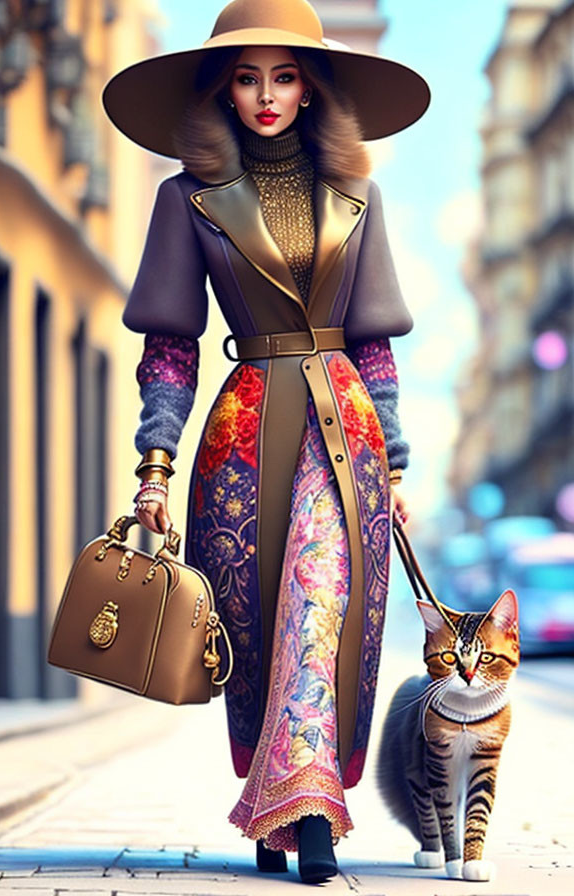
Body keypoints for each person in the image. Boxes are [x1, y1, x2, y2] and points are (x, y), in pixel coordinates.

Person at [102, 0, 429, 884]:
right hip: (240, 438)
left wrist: (395, 463)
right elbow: (168, 346)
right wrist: (155, 470)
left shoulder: (361, 197)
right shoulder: (186, 199)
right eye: (247, 78)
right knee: (251, 629)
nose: (267, 95)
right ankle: (271, 797)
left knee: (322, 612)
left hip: (348, 433)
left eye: (286, 77)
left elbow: (375, 346)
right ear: (223, 91)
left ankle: (311, 812)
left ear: (314, 89)